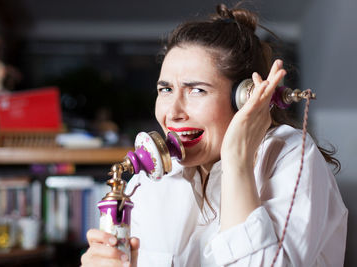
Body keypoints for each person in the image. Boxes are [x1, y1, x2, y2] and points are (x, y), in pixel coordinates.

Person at [81, 3, 347, 267]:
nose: (172, 112)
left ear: (245, 98)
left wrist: (236, 162)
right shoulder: (148, 184)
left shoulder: (291, 156)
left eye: (196, 90)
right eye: (165, 90)